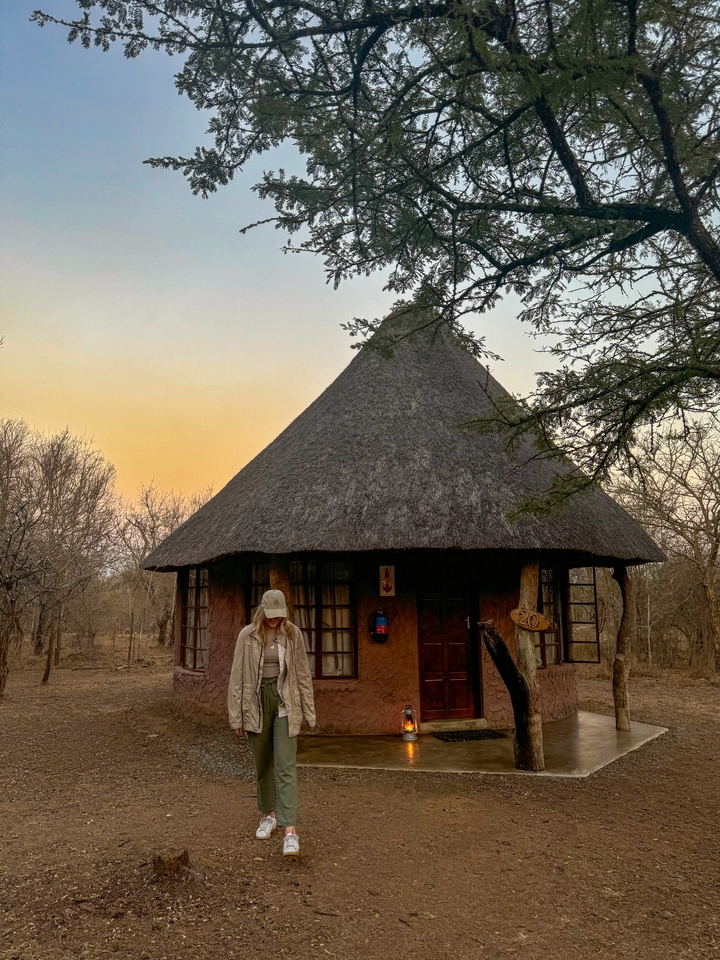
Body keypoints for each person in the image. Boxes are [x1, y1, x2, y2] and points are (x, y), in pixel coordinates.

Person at [227, 588, 316, 857]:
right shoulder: (247, 636)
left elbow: (302, 673)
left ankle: (290, 831)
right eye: (271, 615)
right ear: (262, 611)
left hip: (284, 701)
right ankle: (269, 814)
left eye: (280, 615)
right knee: (263, 763)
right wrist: (236, 715)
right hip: (255, 703)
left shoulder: (293, 635)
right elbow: (237, 677)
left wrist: (309, 713)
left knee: (285, 766)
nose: (275, 620)